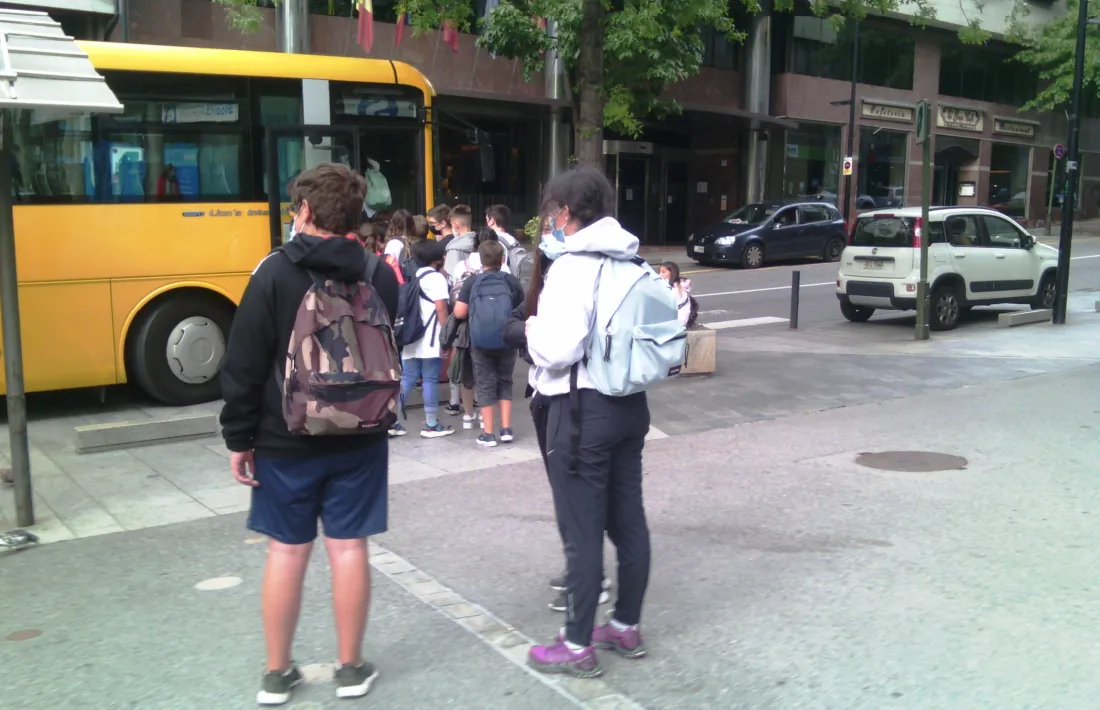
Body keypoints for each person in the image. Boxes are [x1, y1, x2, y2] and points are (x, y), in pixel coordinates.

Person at [219, 163, 399, 705]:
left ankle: (277, 674)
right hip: (361, 434)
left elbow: (244, 362)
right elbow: (399, 337)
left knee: (287, 552)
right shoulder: (378, 271)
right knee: (348, 550)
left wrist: (238, 437)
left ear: (304, 210)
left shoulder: (273, 271)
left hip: (284, 437)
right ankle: (350, 669)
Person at [524, 167, 652, 678]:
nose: (548, 223)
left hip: (579, 411)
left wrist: (531, 327)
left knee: (581, 532)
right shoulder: (631, 259)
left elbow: (557, 350)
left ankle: (576, 644)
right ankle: (625, 626)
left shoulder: (572, 268)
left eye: (550, 213)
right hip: (629, 405)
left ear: (565, 213)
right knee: (628, 522)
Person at [502, 219, 612, 614]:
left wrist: (532, 334)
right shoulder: (551, 277)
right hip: (550, 395)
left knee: (579, 500)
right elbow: (513, 323)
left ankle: (590, 585)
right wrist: (530, 330)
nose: (552, 233)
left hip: (576, 399)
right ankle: (581, 571)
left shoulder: (583, 272)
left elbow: (560, 346)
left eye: (557, 222)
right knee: (569, 497)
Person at [454, 240, 524, 447]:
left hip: (480, 341)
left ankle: (488, 433)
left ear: (480, 259)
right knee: (505, 381)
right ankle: (506, 429)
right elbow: (522, 308)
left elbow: (460, 312)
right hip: (507, 339)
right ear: (503, 259)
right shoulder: (511, 281)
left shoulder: (472, 282)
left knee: (485, 384)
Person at [389, 239, 455, 439]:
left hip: (411, 334)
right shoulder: (436, 279)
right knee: (430, 378)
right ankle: (431, 423)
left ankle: (391, 420)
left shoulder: (413, 275)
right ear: (437, 259)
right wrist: (446, 334)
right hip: (430, 337)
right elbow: (441, 307)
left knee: (408, 378)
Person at [442, 204, 477, 277]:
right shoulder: (480, 242)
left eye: (451, 225)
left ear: (456, 225)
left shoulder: (453, 249)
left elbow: (452, 277)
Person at [659, 261, 696, 327]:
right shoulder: (671, 285)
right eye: (660, 272)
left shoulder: (677, 288)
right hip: (674, 317)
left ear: (672, 273)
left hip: (679, 319)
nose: (660, 275)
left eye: (663, 272)